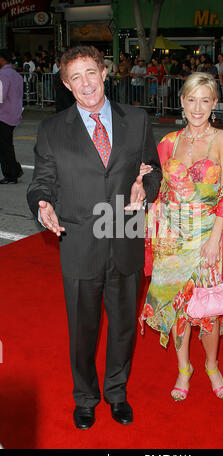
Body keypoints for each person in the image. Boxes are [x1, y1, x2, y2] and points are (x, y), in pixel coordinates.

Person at [27, 45, 162, 429]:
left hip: (124, 234)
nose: (85, 83)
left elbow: (152, 169)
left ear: (104, 73)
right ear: (67, 86)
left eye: (91, 72)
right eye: (75, 77)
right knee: (82, 330)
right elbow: (42, 183)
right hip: (80, 241)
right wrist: (42, 205)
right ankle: (85, 397)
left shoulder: (136, 119)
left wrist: (145, 186)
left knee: (122, 327)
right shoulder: (52, 129)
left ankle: (116, 393)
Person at [140, 72, 223, 402]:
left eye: (205, 100)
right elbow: (159, 190)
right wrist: (143, 182)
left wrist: (213, 241)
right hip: (174, 239)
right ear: (181, 101)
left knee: (208, 309)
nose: (198, 107)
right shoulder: (168, 142)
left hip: (210, 237)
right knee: (179, 308)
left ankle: (211, 364)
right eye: (191, 99)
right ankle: (184, 368)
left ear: (214, 104)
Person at [0, 49, 24, 184]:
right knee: (7, 144)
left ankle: (10, 174)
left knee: (5, 147)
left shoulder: (3, 75)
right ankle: (14, 170)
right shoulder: (16, 75)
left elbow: (0, 97)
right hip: (14, 113)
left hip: (3, 115)